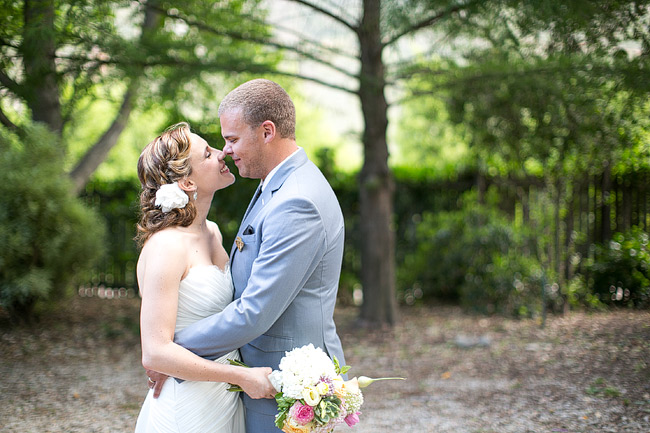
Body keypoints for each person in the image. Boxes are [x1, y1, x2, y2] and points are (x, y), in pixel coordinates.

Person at [147, 79, 347, 432]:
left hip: (284, 385)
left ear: (267, 132)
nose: (226, 151)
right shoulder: (275, 184)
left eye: (232, 139)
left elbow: (254, 311)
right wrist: (166, 355)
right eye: (217, 146)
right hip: (242, 387)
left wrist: (172, 353)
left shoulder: (295, 201)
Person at [134, 122, 277, 433]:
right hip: (187, 407)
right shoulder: (166, 246)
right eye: (208, 153)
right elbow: (156, 351)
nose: (223, 152)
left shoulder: (211, 232)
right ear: (186, 182)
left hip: (223, 399)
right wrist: (241, 377)